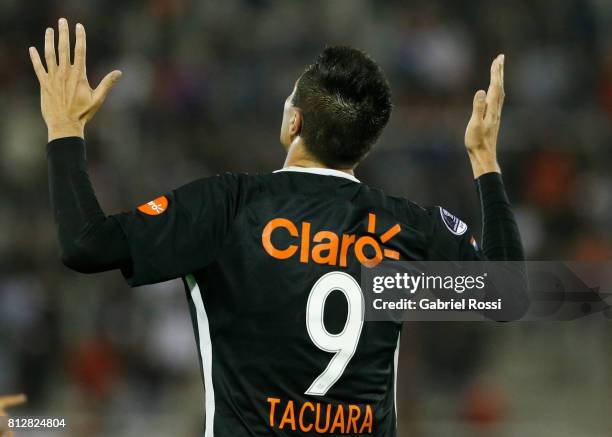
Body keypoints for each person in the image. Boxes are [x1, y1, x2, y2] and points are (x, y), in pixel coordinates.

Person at [29, 18, 523, 437]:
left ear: (294, 123)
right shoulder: (403, 226)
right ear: (363, 146)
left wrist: (64, 130)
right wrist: (484, 161)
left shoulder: (229, 206)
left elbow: (85, 244)